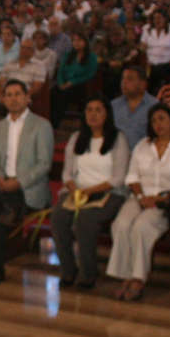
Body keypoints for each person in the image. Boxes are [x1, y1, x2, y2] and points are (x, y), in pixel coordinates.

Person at [0, 79, 54, 288]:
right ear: (3, 100)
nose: (13, 99)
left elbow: (44, 164)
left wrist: (18, 182)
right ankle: (0, 204)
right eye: (9, 95)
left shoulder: (41, 125)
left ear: (27, 97)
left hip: (28, 188)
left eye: (18, 94)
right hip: (3, 186)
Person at [108, 104, 170, 300]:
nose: (158, 124)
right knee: (121, 224)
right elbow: (132, 176)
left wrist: (161, 198)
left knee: (142, 226)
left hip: (167, 201)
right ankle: (126, 275)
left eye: (162, 119)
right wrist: (141, 197)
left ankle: (138, 278)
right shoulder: (143, 145)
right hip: (140, 198)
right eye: (154, 120)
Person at [51, 97, 129, 289]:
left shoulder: (118, 138)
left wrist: (91, 190)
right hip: (78, 190)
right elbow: (67, 173)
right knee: (58, 217)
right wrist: (74, 188)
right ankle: (68, 270)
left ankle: (88, 273)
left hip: (109, 192)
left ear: (107, 114)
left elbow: (118, 178)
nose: (93, 114)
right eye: (89, 110)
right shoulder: (77, 138)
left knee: (85, 220)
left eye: (98, 110)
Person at [112, 65, 158, 151]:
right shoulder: (113, 106)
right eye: (123, 78)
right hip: (116, 155)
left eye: (130, 78)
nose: (124, 82)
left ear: (143, 83)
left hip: (143, 156)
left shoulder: (154, 106)